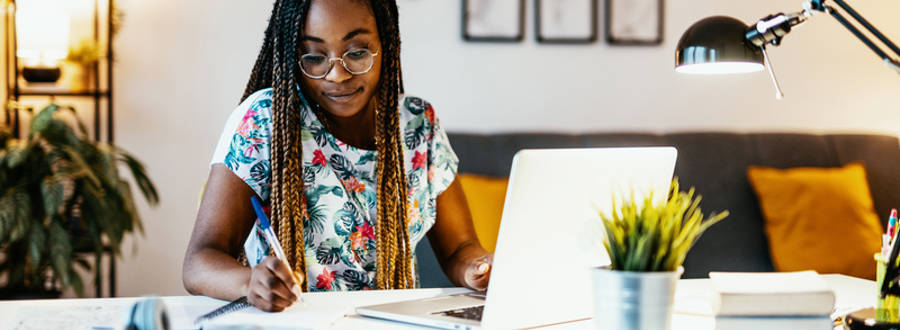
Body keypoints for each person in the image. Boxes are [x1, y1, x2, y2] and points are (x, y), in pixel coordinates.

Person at [182, 0, 492, 312]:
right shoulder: (265, 120)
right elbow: (199, 263)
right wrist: (250, 283)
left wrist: (478, 270)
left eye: (357, 52)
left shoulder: (417, 123)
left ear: (387, 43)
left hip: (395, 323)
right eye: (315, 57)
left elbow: (459, 249)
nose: (337, 75)